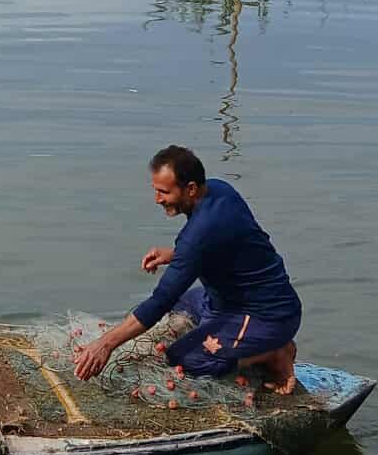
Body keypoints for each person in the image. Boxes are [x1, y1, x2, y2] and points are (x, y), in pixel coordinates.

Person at [72, 145, 303, 394]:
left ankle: (272, 352)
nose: (157, 199)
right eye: (156, 190)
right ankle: (247, 343)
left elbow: (160, 299)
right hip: (223, 300)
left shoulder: (198, 235)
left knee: (184, 360)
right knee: (177, 309)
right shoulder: (219, 189)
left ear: (190, 189)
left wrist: (105, 345)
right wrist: (175, 255)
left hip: (266, 314)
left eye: (164, 192)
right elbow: (232, 242)